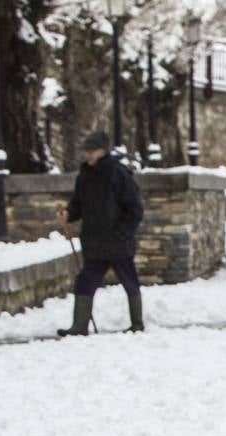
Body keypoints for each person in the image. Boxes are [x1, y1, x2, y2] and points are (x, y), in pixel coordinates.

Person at [56, 130, 146, 336]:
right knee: (85, 282)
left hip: (117, 242)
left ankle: (137, 323)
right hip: (93, 241)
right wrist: (68, 214)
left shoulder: (119, 173)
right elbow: (79, 204)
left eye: (92, 150)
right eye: (86, 150)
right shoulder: (85, 175)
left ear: (103, 150)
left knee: (129, 281)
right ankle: (79, 326)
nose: (88, 155)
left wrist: (123, 233)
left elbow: (134, 209)